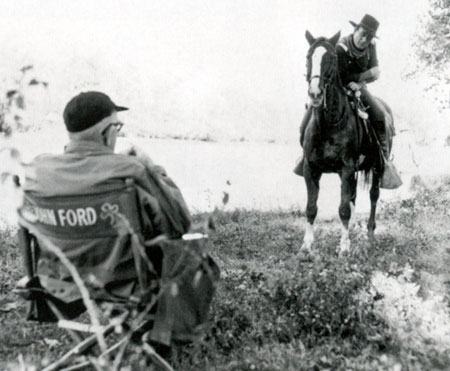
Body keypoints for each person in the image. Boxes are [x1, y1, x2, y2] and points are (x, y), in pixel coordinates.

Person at [22, 91, 219, 347]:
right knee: (197, 259)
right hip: (124, 283)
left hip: (57, 283)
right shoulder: (130, 171)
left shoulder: (38, 170)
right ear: (106, 131)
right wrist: (152, 167)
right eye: (117, 126)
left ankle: (137, 335)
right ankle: (164, 341)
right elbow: (180, 224)